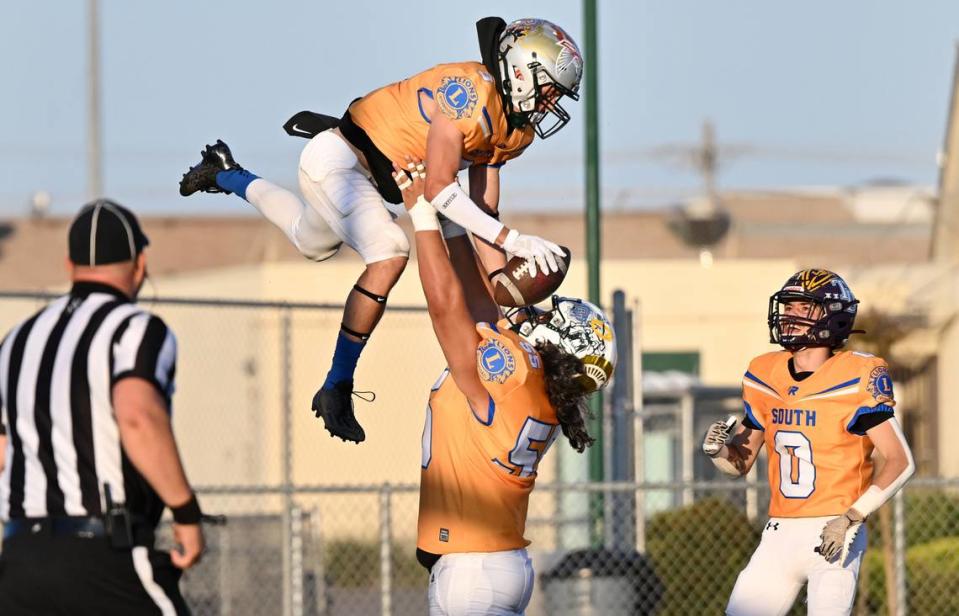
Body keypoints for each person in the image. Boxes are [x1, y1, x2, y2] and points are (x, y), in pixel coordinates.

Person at [177, 17, 578, 443]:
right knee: (390, 251)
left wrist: (506, 296)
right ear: (520, 68)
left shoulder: (515, 131)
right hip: (343, 160)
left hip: (375, 177)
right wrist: (515, 241)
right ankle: (337, 385)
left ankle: (225, 173)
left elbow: (482, 210)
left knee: (310, 241)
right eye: (550, 87)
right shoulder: (467, 92)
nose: (551, 101)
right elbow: (442, 190)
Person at [388, 159, 616, 615]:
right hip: (495, 564)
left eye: (551, 320)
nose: (537, 315)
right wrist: (453, 221)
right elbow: (478, 306)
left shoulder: (512, 372)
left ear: (561, 345)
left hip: (474, 571)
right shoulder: (535, 385)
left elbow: (446, 308)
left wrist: (424, 218)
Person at [0, 199, 204, 615]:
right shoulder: (134, 328)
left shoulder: (16, 340)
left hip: (20, 559)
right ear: (140, 263)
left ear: (69, 264)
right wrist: (186, 512)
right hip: (103, 556)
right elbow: (137, 416)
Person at [702, 269, 915, 616]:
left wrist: (852, 517)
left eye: (804, 308)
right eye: (789, 307)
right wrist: (718, 451)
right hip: (778, 533)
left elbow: (900, 460)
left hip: (834, 530)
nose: (790, 315)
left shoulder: (857, 375)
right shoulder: (764, 373)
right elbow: (740, 463)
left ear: (833, 316)